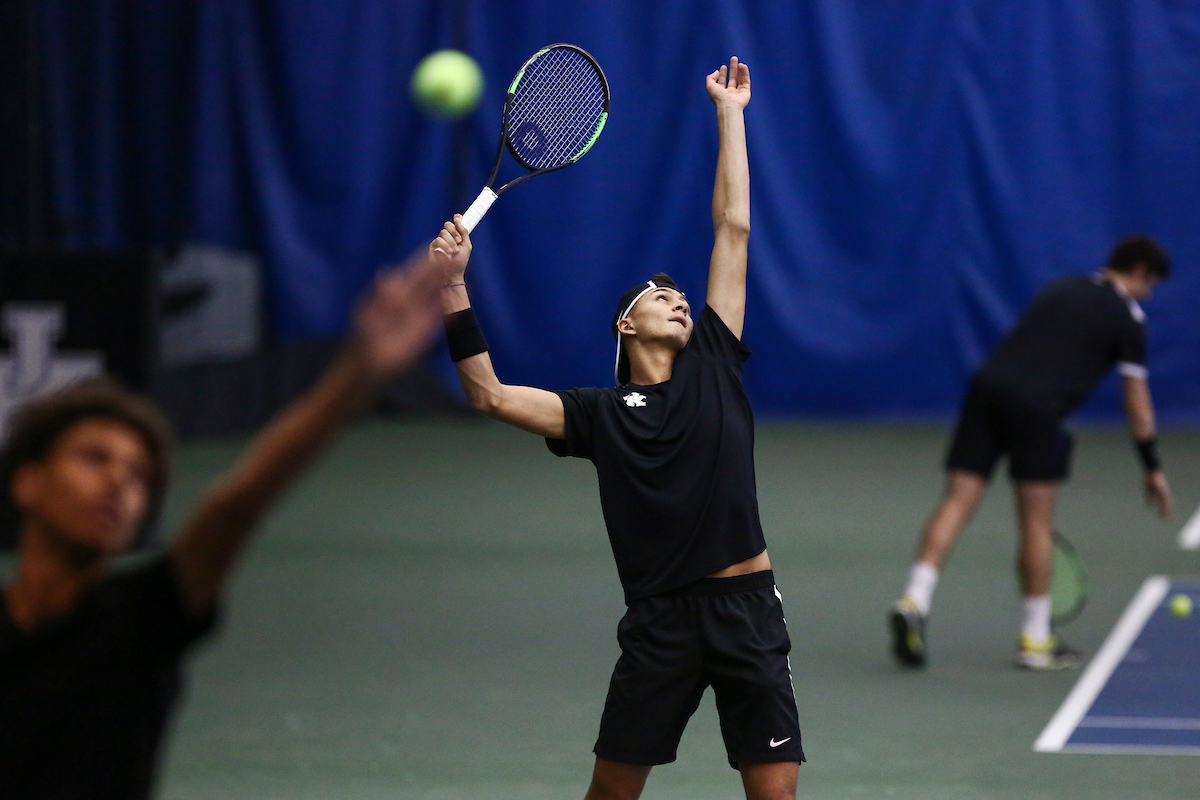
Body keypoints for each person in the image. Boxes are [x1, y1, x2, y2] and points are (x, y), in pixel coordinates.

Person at [432, 57, 802, 800]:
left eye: (680, 296)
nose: (678, 301)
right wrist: (451, 286)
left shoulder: (714, 366)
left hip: (746, 612)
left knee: (775, 795)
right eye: (659, 296)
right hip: (661, 622)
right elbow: (489, 395)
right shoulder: (596, 414)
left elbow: (732, 228)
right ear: (625, 323)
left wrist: (730, 113)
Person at [0, 254, 443, 799]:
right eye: (94, 459)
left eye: (139, 476)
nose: (120, 483)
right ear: (29, 482)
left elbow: (236, 506)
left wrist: (357, 374)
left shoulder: (141, 620)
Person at [889, 235, 1173, 671]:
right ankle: (1035, 639)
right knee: (1037, 523)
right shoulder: (1127, 318)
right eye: (1149, 285)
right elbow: (1137, 401)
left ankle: (915, 598)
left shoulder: (1059, 288)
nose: (1147, 295)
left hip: (987, 391)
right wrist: (1151, 465)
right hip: (1039, 410)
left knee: (957, 499)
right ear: (1138, 272)